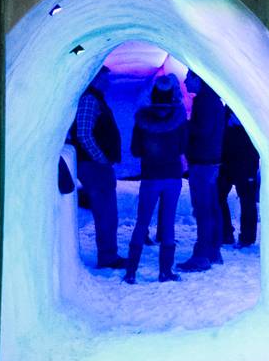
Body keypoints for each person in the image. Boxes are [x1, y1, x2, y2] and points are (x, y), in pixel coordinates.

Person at [124, 72, 189, 284]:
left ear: (153, 94)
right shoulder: (179, 119)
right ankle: (165, 272)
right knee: (168, 223)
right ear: (172, 94)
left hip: (151, 175)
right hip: (172, 175)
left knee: (142, 222)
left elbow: (135, 150)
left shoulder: (142, 119)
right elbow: (183, 147)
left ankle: (131, 272)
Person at [69, 67, 123, 269]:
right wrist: (101, 158)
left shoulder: (96, 98)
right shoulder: (90, 100)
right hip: (94, 167)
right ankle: (108, 257)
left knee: (108, 211)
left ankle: (109, 254)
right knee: (106, 211)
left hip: (97, 166)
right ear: (96, 78)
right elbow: (83, 133)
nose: (108, 82)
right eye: (105, 78)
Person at [178, 70, 226, 272]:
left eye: (189, 77)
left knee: (203, 208)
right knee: (212, 206)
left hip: (202, 161)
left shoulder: (203, 101)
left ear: (198, 79)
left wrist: (185, 125)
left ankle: (202, 255)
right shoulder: (214, 99)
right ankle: (214, 251)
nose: (185, 81)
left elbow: (202, 130)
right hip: (211, 160)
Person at [218, 111, 260, 247]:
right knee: (219, 195)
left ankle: (246, 238)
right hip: (228, 162)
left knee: (247, 200)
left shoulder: (251, 113)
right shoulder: (228, 111)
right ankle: (226, 232)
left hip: (246, 163)